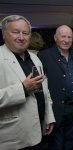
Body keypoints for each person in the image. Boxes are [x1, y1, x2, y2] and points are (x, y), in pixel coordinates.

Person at [0, 15, 55, 150]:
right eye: (15, 32)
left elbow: (45, 91)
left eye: (25, 33)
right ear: (4, 35)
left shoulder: (35, 58)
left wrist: (49, 116)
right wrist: (23, 88)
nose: (21, 37)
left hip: (39, 129)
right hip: (14, 136)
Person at [37, 25, 73, 150]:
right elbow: (39, 83)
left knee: (70, 141)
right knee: (56, 143)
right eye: (63, 36)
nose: (66, 40)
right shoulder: (44, 56)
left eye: (69, 37)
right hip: (56, 108)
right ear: (55, 38)